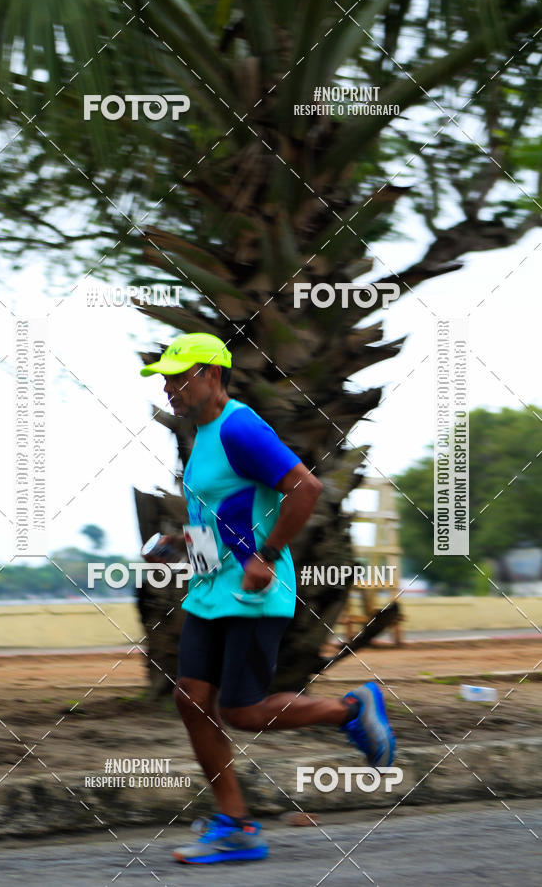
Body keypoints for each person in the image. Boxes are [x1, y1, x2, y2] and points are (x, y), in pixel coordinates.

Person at [140, 332, 395, 864]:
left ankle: (350, 709)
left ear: (212, 374)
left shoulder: (240, 427)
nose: (168, 389)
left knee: (244, 711)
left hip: (254, 593)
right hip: (213, 591)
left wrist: (268, 555)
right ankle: (236, 826)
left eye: (177, 377)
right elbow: (226, 516)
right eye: (165, 379)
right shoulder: (204, 435)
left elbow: (306, 488)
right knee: (191, 699)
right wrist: (180, 545)